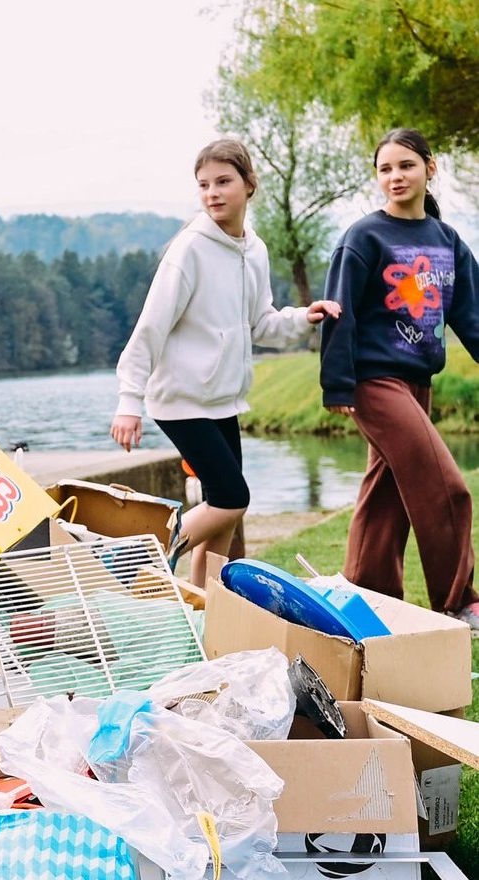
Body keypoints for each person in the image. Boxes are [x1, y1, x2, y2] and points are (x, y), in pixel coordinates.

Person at [110, 138, 339, 587]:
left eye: (223, 182)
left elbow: (261, 324)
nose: (212, 192)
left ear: (249, 185)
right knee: (232, 499)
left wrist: (303, 318)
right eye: (203, 185)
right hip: (180, 399)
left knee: (224, 516)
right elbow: (151, 327)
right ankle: (143, 555)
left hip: (221, 400)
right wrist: (128, 399)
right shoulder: (190, 249)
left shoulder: (254, 250)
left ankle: (205, 608)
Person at [319, 128, 479, 627]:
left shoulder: (446, 240)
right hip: (374, 381)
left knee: (385, 493)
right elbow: (337, 310)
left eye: (406, 165)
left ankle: (367, 595)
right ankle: (459, 601)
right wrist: (338, 383)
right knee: (445, 487)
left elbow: (471, 317)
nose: (395, 177)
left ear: (430, 168)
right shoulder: (363, 238)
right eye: (385, 168)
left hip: (418, 381)